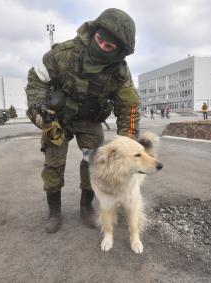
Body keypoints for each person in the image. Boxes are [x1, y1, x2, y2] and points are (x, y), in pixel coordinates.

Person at [26, 8, 140, 233]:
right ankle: (54, 211)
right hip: (58, 119)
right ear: (95, 31)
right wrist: (39, 110)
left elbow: (129, 107)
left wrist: (128, 144)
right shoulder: (64, 54)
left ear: (119, 52)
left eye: (109, 47)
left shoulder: (119, 73)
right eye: (99, 40)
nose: (101, 48)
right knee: (54, 163)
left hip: (89, 120)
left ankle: (86, 206)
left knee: (95, 162)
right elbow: (36, 79)